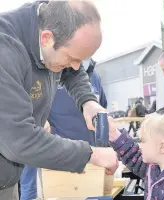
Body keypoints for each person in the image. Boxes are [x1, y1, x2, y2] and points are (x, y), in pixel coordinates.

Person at [0, 1, 118, 199]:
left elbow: (73, 70)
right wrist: (91, 154)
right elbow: (19, 141)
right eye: (71, 58)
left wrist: (88, 101)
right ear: (46, 38)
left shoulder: (51, 31)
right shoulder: (5, 52)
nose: (74, 66)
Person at [20, 59, 108, 200]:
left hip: (88, 162)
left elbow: (102, 112)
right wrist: (38, 117)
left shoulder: (94, 77)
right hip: (53, 162)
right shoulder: (46, 73)